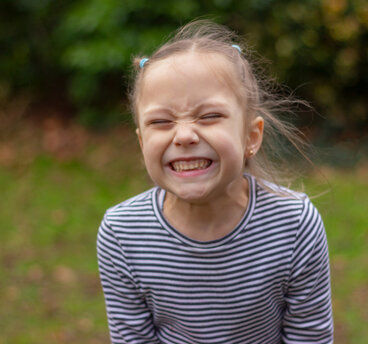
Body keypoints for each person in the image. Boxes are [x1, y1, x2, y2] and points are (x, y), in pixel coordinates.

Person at [96, 20, 333, 344]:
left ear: (252, 136)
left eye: (209, 117)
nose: (184, 135)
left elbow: (310, 337)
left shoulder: (294, 225)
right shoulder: (121, 233)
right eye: (161, 122)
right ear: (141, 142)